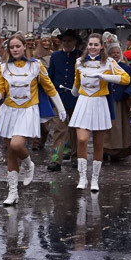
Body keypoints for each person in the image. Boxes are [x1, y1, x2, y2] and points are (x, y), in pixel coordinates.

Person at [0, 33, 64, 205]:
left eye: (18, 46)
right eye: (12, 47)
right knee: (10, 152)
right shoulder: (3, 67)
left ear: (25, 46)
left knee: (17, 145)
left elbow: (50, 88)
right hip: (8, 111)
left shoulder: (35, 66)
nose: (15, 49)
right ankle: (13, 192)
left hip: (27, 110)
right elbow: (0, 93)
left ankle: (29, 164)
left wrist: (60, 108)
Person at [70, 34, 130, 190]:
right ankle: (82, 176)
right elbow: (76, 84)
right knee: (82, 139)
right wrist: (72, 93)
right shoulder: (79, 63)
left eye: (96, 44)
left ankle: (95, 179)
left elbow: (126, 79)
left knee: (98, 143)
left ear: (102, 46)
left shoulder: (109, 63)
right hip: (83, 101)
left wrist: (105, 76)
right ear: (87, 46)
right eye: (90, 44)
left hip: (100, 102)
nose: (93, 47)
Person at [47, 30, 80, 171]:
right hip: (59, 98)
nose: (66, 43)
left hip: (76, 98)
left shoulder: (80, 57)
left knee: (75, 130)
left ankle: (77, 156)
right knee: (59, 130)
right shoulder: (55, 56)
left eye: (70, 41)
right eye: (64, 41)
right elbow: (50, 76)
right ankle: (56, 160)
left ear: (75, 42)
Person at [103, 41, 131, 162]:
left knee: (118, 127)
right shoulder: (104, 66)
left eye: (117, 52)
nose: (115, 55)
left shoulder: (125, 67)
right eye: (113, 53)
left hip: (120, 101)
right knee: (105, 126)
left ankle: (117, 150)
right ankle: (105, 149)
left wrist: (128, 93)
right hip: (106, 99)